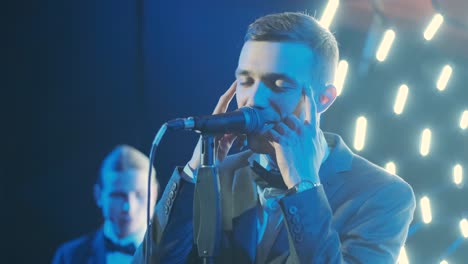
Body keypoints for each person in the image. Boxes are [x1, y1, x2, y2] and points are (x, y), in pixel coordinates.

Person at [133, 12, 415, 263]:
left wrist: (304, 188)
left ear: (324, 99)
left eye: (279, 84)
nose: (254, 99)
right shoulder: (217, 177)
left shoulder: (383, 195)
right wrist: (195, 172)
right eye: (246, 81)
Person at [52, 145, 158, 264]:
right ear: (98, 195)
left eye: (140, 195)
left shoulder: (177, 257)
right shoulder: (69, 257)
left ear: (154, 194)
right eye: (118, 195)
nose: (128, 208)